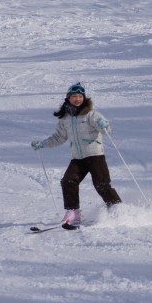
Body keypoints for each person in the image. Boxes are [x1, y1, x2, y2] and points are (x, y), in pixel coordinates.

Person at [31, 83, 122, 229]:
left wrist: (104, 124)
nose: (77, 99)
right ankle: (74, 213)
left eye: (80, 96)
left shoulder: (92, 114)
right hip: (78, 158)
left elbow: (105, 130)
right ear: (68, 99)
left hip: (95, 156)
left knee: (101, 184)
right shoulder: (66, 119)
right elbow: (59, 137)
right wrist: (43, 144)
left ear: (84, 98)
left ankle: (118, 210)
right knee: (68, 181)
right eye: (74, 96)